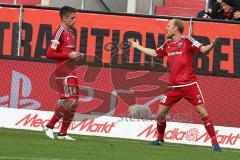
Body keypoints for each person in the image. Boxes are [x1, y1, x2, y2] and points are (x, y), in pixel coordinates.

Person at [128, 19, 221, 152]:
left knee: (202, 111)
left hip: (189, 84)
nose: (166, 28)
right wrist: (137, 47)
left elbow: (203, 50)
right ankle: (160, 139)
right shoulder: (168, 44)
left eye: (169, 26)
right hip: (173, 87)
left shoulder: (187, 40)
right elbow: (155, 53)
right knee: (160, 114)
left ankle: (215, 143)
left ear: (176, 28)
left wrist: (211, 45)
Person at [43, 6, 84, 140]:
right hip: (63, 71)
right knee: (71, 100)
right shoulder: (59, 32)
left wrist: (76, 55)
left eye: (75, 17)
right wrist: (69, 55)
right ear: (64, 18)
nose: (75, 20)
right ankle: (49, 126)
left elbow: (68, 53)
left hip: (71, 70)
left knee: (75, 102)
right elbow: (49, 53)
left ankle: (63, 133)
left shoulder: (72, 32)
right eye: (72, 18)